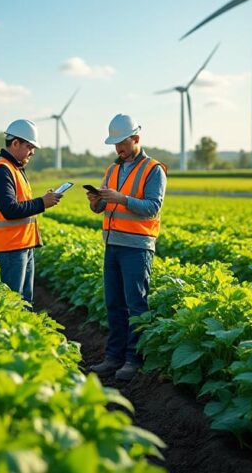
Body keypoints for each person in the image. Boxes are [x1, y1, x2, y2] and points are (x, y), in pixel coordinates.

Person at [86, 114, 167, 381]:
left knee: (136, 306)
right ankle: (113, 357)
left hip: (137, 247)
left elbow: (152, 207)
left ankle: (133, 360)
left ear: (136, 139)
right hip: (112, 244)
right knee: (114, 304)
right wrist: (95, 201)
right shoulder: (112, 169)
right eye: (115, 144)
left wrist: (121, 198)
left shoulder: (153, 169)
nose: (118, 148)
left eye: (122, 142)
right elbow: (102, 207)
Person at [0, 119, 62, 303]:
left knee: (25, 302)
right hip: (11, 247)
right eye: (29, 146)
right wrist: (42, 203)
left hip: (22, 245)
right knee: (14, 304)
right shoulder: (1, 170)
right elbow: (10, 210)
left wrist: (43, 200)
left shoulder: (15, 168)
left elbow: (21, 203)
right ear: (15, 143)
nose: (32, 152)